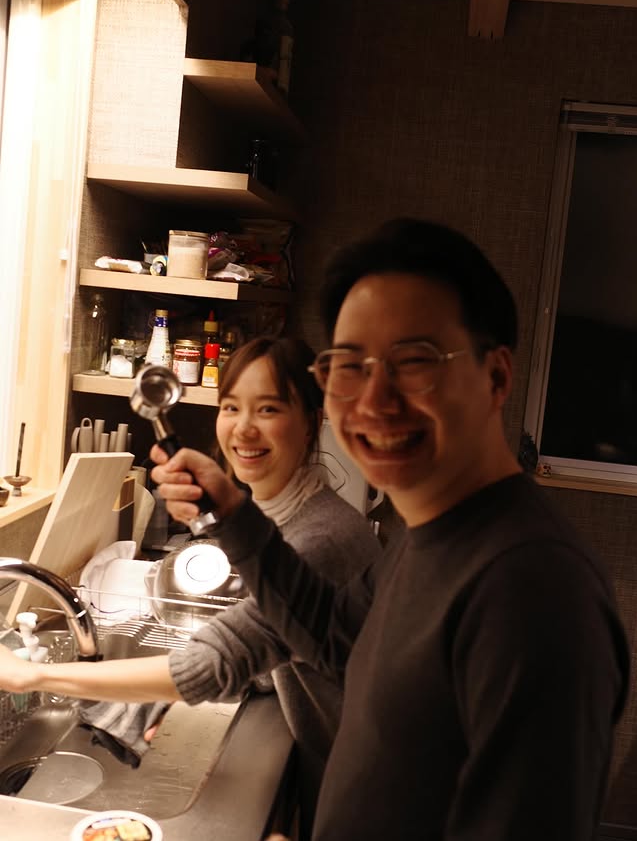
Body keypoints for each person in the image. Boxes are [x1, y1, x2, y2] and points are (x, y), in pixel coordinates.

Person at [150, 218, 630, 841]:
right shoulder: (429, 532)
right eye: (350, 366)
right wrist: (233, 513)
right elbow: (334, 635)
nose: (374, 401)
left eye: (415, 362)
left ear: (496, 378)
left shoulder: (532, 590)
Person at [0, 336, 380, 840]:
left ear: (311, 421)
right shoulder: (284, 517)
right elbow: (282, 642)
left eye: (268, 408)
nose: (243, 427)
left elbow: (216, 659)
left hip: (370, 793)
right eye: (231, 407)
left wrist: (30, 675)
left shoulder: (321, 539)